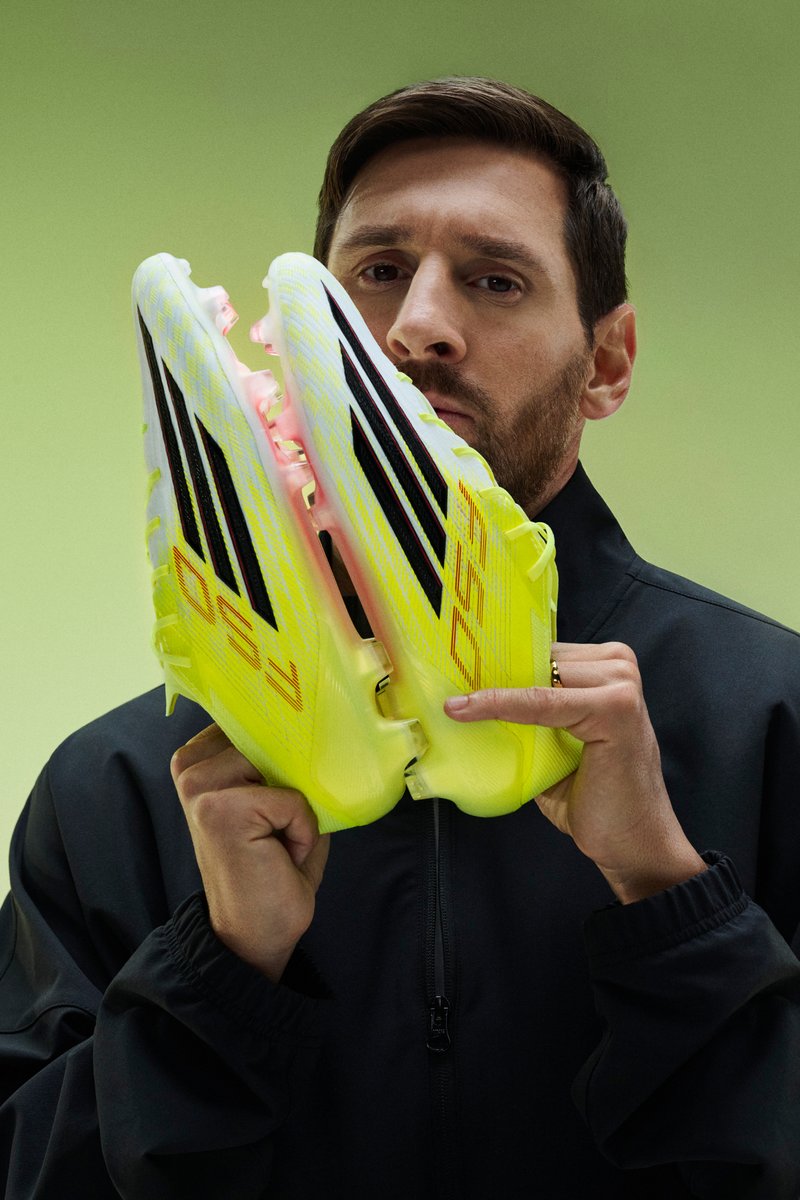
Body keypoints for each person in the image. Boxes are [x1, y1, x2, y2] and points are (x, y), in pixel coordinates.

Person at [1, 77, 799, 1199]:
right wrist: (218, 971)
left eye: (495, 279)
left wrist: (670, 898)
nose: (416, 325)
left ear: (607, 361)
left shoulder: (773, 719)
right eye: (376, 273)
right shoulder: (126, 786)